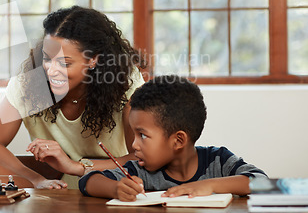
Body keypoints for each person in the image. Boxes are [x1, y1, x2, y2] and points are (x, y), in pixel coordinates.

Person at [0, 6, 145, 189]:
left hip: (117, 188)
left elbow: (140, 157)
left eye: (65, 63)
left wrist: (76, 167)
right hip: (61, 195)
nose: (51, 70)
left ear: (93, 60)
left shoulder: (125, 83)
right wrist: (35, 180)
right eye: (47, 58)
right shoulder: (28, 84)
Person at [78, 75, 268, 201]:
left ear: (178, 140)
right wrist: (116, 189)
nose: (134, 145)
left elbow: (261, 181)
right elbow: (88, 181)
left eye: (142, 135)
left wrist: (208, 185)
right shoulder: (140, 171)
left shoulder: (218, 161)